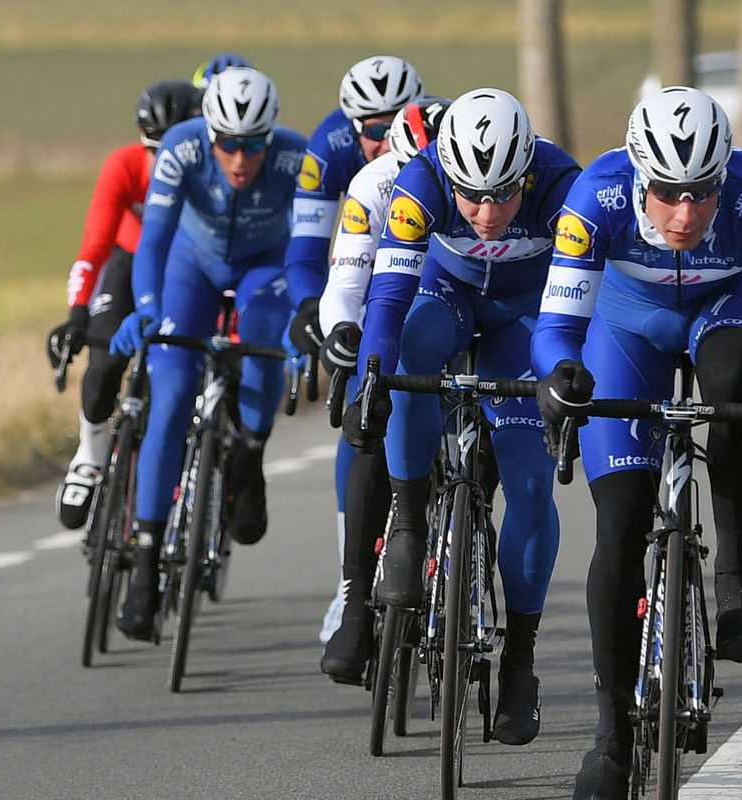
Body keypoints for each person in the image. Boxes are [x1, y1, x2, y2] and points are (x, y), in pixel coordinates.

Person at [529, 86, 742, 800]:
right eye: (666, 193)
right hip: (629, 328)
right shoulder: (594, 198)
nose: (686, 213)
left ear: (724, 177)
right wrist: (558, 375)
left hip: (721, 317)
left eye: (702, 192)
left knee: (734, 377)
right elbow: (558, 330)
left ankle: (734, 572)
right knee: (622, 523)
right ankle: (610, 735)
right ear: (637, 176)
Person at [356, 88, 581, 744]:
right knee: (408, 354)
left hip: (527, 316)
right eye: (471, 196)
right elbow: (389, 293)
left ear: (528, 175)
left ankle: (521, 660)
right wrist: (371, 379)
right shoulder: (420, 179)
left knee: (531, 483)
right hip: (446, 296)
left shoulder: (562, 183)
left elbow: (582, 296)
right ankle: (407, 521)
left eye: (503, 195)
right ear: (446, 173)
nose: (486, 213)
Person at [109, 67, 308, 640]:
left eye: (253, 146)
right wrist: (145, 307)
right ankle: (146, 568)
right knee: (169, 399)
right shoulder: (181, 146)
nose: (240, 159)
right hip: (190, 268)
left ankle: (250, 455)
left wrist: (308, 318)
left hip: (265, 265)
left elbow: (314, 246)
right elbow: (154, 240)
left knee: (267, 346)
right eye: (228, 144)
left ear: (270, 137)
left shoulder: (297, 157)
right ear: (209, 133)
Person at [278, 55, 424, 652]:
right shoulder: (330, 149)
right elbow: (310, 250)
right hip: (360, 271)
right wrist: (314, 314)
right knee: (361, 418)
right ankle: (351, 584)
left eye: (393, 122)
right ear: (350, 125)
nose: (383, 136)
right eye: (371, 127)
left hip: (430, 280)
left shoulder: (433, 134)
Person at [314, 95, 450, 685]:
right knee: (368, 420)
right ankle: (353, 594)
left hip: (462, 308)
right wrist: (343, 331)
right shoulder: (372, 183)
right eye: (405, 175)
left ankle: (469, 544)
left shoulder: (471, 190)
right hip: (391, 303)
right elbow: (345, 283)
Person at [48, 78, 203, 530]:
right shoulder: (123, 165)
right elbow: (94, 247)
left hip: (184, 268)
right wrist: (77, 312)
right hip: (128, 263)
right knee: (102, 365)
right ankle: (90, 455)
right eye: (153, 149)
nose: (160, 162)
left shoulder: (206, 170)